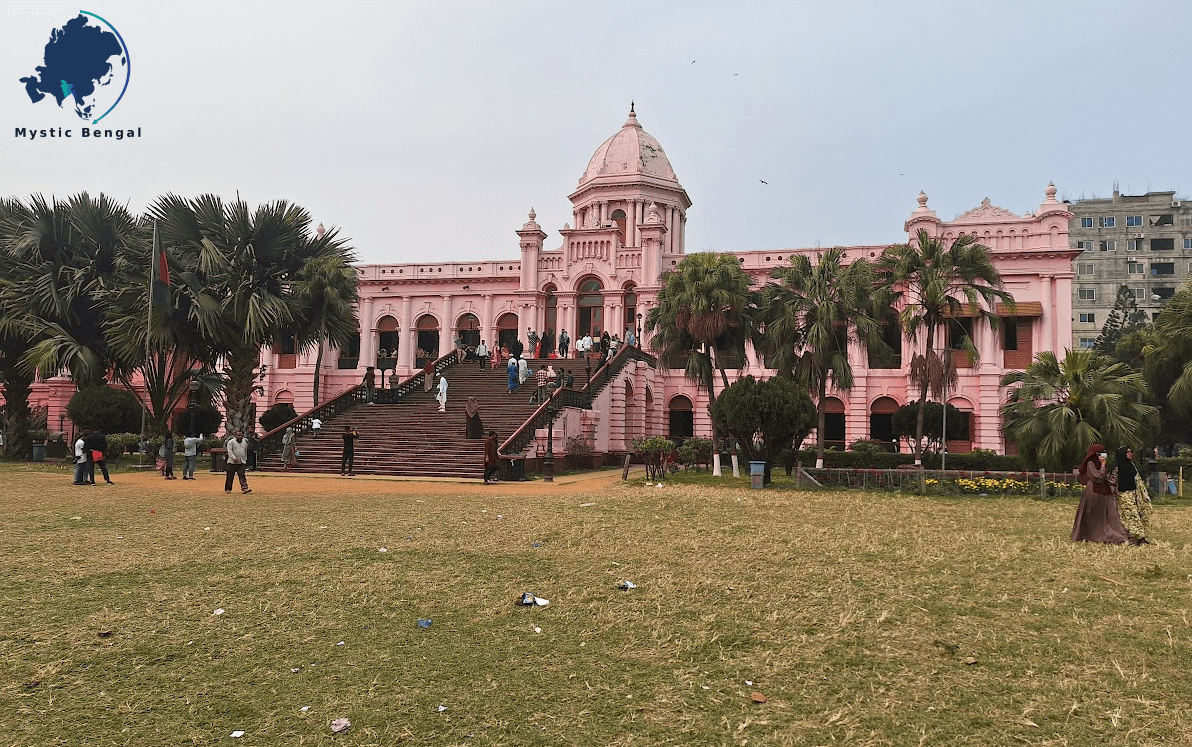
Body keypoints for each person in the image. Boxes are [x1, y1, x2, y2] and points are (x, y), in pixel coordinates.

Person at [1072, 443, 1127, 544]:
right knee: (1092, 514)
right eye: (1101, 453)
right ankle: (1090, 534)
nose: (1104, 454)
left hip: (1104, 491)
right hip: (1094, 491)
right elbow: (1098, 477)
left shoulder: (1101, 463)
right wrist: (1102, 465)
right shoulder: (1091, 463)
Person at [1115, 446, 1153, 545]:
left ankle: (1142, 537)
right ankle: (1136, 538)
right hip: (1124, 494)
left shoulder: (1131, 465)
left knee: (1142, 514)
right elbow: (1113, 482)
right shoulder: (1117, 467)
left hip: (1135, 494)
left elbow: (1138, 480)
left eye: (1131, 451)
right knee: (1131, 516)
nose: (1131, 453)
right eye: (1128, 452)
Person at [224, 429, 252, 494]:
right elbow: (229, 451)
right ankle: (228, 489)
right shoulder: (231, 442)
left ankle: (244, 488)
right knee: (230, 476)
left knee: (242, 475)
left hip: (241, 462)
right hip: (232, 462)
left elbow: (245, 451)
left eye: (241, 435)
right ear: (235, 435)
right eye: (238, 435)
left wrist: (245, 460)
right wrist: (234, 458)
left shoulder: (245, 442)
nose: (239, 436)